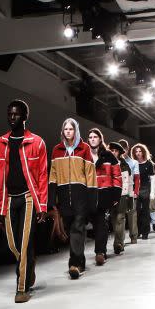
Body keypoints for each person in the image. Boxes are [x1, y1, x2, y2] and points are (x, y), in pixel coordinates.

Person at [0, 100, 48, 303]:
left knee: (24, 242)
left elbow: (42, 177)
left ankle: (21, 288)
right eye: (9, 114)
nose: (12, 117)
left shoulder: (36, 142)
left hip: (29, 198)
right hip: (8, 199)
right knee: (14, 244)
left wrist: (43, 205)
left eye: (16, 114)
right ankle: (29, 264)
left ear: (24, 117)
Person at [49, 118, 96, 279]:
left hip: (80, 194)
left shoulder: (84, 149)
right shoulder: (56, 150)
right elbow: (53, 175)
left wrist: (92, 198)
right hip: (63, 195)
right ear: (63, 131)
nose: (68, 131)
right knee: (72, 228)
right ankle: (79, 260)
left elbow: (91, 174)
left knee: (77, 227)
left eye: (71, 129)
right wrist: (51, 198)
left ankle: (75, 264)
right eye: (66, 129)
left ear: (76, 131)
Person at [87, 128, 121, 265]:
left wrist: (116, 195)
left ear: (100, 139)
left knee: (101, 222)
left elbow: (117, 176)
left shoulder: (108, 155)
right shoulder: (84, 155)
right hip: (88, 194)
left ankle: (100, 252)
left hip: (104, 193)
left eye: (95, 136)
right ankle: (102, 250)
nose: (93, 139)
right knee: (96, 224)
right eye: (90, 137)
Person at [107, 142, 132, 255]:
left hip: (123, 194)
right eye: (111, 150)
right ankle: (119, 241)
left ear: (119, 153)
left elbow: (130, 182)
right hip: (110, 195)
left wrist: (130, 197)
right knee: (113, 219)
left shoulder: (124, 165)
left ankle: (118, 244)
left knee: (120, 218)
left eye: (115, 151)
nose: (113, 152)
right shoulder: (106, 163)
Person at [131, 143, 155, 239]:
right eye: (136, 151)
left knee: (145, 211)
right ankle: (138, 231)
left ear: (143, 152)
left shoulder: (148, 163)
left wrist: (152, 192)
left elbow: (153, 178)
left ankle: (145, 232)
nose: (138, 153)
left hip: (145, 188)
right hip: (135, 189)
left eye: (140, 151)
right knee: (136, 211)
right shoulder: (133, 163)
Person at [118, 139, 140, 243]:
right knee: (121, 215)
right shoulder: (116, 161)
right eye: (120, 150)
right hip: (120, 191)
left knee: (132, 214)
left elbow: (136, 178)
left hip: (131, 190)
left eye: (124, 150)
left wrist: (136, 192)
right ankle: (120, 241)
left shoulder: (134, 162)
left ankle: (133, 237)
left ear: (127, 149)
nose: (123, 152)